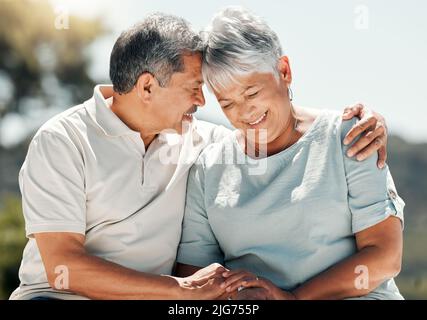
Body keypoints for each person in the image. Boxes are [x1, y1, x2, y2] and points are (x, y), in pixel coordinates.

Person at [11, 12, 391, 300]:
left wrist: (371, 121)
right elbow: (62, 266)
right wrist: (178, 290)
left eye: (211, 94)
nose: (202, 102)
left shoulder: (202, 142)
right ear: (147, 87)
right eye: (196, 89)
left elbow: (273, 135)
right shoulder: (63, 140)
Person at [176, 7, 405, 300]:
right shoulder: (208, 168)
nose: (245, 113)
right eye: (227, 103)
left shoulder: (349, 135)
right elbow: (191, 275)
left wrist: (294, 298)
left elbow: (384, 257)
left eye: (251, 93)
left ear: (284, 71)